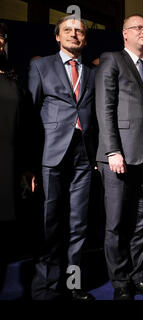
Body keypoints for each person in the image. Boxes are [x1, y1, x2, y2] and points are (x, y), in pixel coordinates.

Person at [95, 14, 143, 300]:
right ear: (125, 33)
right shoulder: (112, 59)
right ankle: (120, 282)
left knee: (141, 223)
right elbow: (105, 107)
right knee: (116, 223)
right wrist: (113, 150)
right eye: (138, 28)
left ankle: (138, 277)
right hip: (118, 156)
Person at [28, 15, 97, 300]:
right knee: (49, 223)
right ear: (57, 36)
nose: (73, 34)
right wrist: (29, 165)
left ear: (85, 38)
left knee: (79, 224)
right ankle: (45, 288)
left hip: (84, 156)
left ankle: (73, 283)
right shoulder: (40, 65)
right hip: (50, 155)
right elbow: (31, 116)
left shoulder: (93, 73)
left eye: (79, 31)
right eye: (67, 30)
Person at [0, 22, 36, 228]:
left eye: (2, 37)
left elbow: (27, 127)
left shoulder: (13, 79)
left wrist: (28, 167)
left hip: (9, 163)